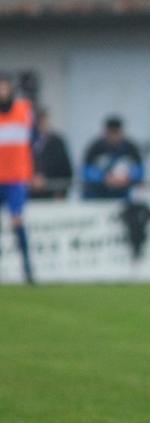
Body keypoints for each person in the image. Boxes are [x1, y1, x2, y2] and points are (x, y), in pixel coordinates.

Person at [0, 70, 36, 284]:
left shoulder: (24, 110)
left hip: (15, 179)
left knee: (17, 221)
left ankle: (28, 270)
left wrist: (34, 170)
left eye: (4, 87)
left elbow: (35, 141)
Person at [82, 115, 144, 200]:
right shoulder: (95, 147)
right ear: (105, 132)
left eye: (116, 133)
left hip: (122, 196)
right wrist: (103, 178)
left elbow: (139, 169)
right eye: (111, 133)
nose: (114, 137)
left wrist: (128, 178)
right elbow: (86, 170)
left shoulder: (130, 147)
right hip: (96, 196)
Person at [31, 107, 73, 200]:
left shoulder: (58, 142)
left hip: (53, 194)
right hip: (30, 195)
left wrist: (62, 191)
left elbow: (66, 169)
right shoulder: (26, 142)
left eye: (44, 120)